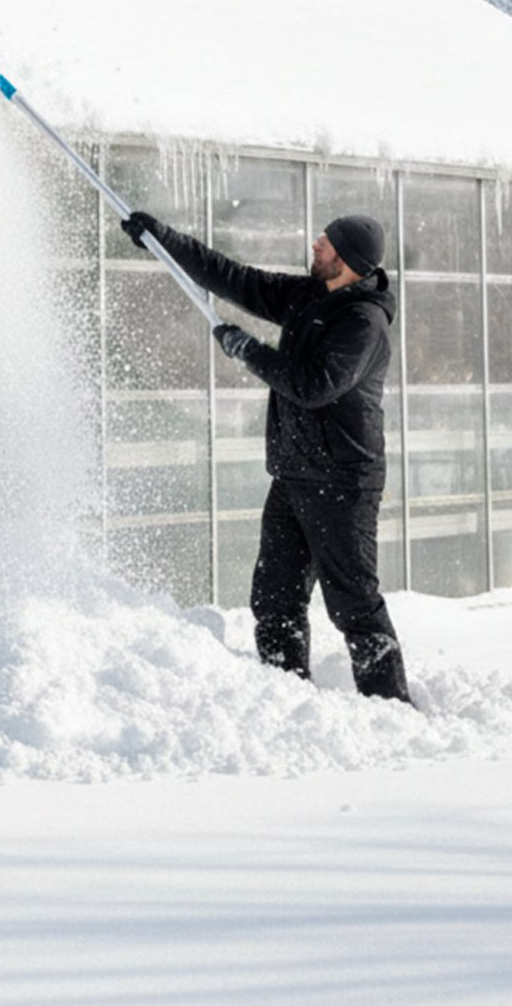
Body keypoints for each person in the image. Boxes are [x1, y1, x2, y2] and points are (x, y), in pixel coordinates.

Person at [120, 207, 414, 705]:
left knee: (354, 604)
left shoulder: (362, 323)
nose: (316, 244)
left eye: (326, 242)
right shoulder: (309, 295)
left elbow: (312, 386)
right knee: (275, 598)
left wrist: (245, 349)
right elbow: (234, 278)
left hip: (343, 482)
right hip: (294, 474)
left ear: (347, 261)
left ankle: (391, 707)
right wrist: (160, 238)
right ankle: (286, 698)